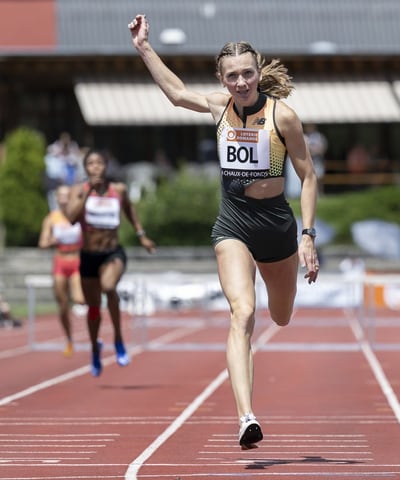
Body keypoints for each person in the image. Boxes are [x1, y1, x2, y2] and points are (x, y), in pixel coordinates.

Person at [129, 14, 320, 449]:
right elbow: (177, 94)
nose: (240, 82)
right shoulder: (219, 107)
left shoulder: (283, 117)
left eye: (247, 73)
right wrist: (144, 47)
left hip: (276, 225)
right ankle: (246, 417)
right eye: (231, 76)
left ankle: (280, 298)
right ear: (222, 78)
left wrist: (307, 235)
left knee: (281, 316)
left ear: (258, 73)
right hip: (233, 221)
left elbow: (308, 177)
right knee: (243, 313)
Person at [64, 149, 156, 377]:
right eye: (91, 163)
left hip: (112, 253)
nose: (95, 167)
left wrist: (141, 234)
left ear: (106, 166)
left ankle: (118, 337)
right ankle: (95, 346)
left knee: (109, 287)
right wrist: (87, 194)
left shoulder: (118, 190)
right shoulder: (78, 191)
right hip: (88, 256)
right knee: (93, 308)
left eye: (99, 163)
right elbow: (71, 218)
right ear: (85, 168)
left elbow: (130, 212)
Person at [38, 185, 85, 356]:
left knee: (80, 299)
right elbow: (42, 244)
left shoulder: (79, 216)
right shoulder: (52, 218)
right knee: (63, 305)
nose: (64, 199)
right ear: (57, 198)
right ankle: (69, 339)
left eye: (67, 195)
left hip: (77, 261)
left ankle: (92, 332)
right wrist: (52, 240)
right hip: (60, 261)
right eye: (61, 196)